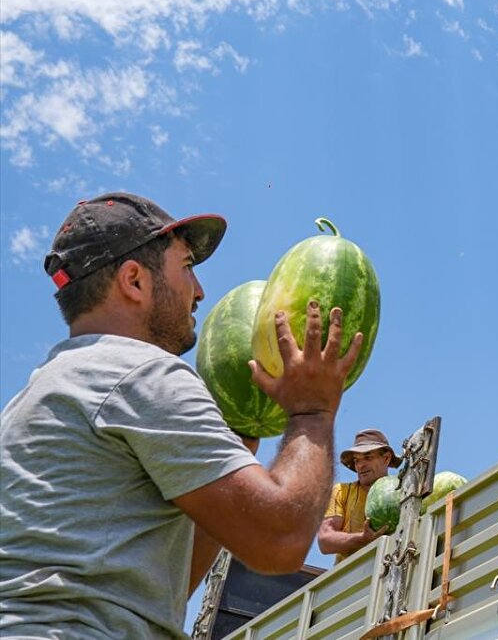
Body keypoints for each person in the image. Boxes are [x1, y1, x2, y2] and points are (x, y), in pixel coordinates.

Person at [0, 192, 363, 639]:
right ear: (134, 280)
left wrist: (239, 438)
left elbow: (167, 585)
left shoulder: (45, 389)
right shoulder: (140, 373)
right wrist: (313, 409)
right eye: (187, 266)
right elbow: (280, 541)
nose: (199, 291)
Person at [317, 428, 400, 563]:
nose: (360, 465)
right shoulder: (341, 491)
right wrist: (362, 539)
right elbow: (325, 540)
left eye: (368, 457)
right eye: (356, 460)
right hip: (351, 577)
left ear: (386, 458)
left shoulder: (402, 490)